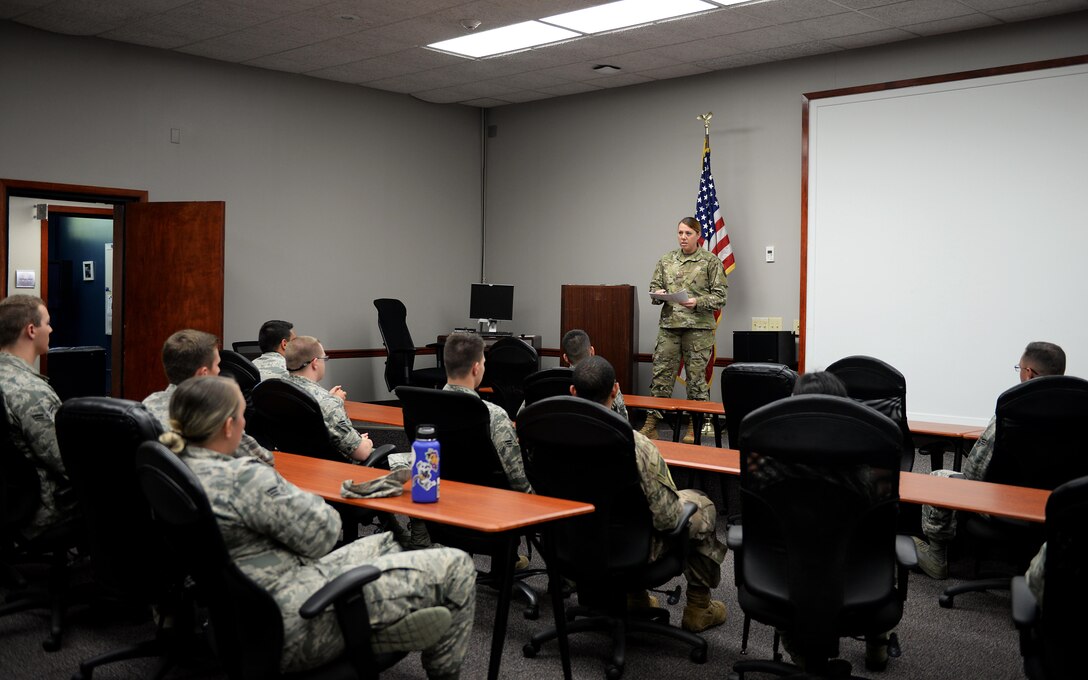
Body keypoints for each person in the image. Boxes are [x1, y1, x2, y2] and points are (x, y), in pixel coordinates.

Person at [160, 375, 475, 678]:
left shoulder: (172, 469)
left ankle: (384, 627)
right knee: (457, 564)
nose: (246, 425)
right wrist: (262, 465)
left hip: (236, 621)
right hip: (293, 625)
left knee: (385, 544)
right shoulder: (244, 479)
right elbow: (324, 534)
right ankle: (403, 649)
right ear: (230, 427)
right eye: (243, 418)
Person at [571, 356, 727, 632]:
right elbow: (667, 520)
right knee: (702, 505)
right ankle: (698, 608)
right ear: (616, 390)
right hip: (632, 548)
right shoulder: (635, 445)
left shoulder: (550, 431)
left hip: (571, 542)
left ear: (573, 392)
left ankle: (635, 597)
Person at [913, 341, 1066, 579]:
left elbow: (974, 472)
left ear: (1028, 373)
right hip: (1059, 505)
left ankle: (936, 557)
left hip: (1003, 506)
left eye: (1019, 368)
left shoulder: (1015, 407)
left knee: (939, 479)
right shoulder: (1077, 409)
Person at [642, 217, 728, 443]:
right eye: (680, 232)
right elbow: (653, 288)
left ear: (697, 235)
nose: (683, 237)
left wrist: (697, 302)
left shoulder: (711, 262)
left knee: (696, 380)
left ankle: (694, 426)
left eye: (688, 233)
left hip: (698, 329)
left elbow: (721, 297)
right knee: (661, 375)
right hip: (670, 327)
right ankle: (651, 424)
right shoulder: (666, 260)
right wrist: (658, 294)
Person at [0, 295, 74, 538]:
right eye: (48, 323)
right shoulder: (30, 391)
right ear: (31, 330)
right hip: (38, 510)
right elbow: (67, 462)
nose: (51, 329)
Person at [143, 329, 273, 466]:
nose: (219, 371)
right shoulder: (214, 412)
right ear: (203, 373)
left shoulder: (148, 403)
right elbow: (263, 459)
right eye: (217, 365)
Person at [442, 332, 532, 493]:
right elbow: (518, 482)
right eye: (483, 363)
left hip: (441, 496)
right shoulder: (494, 415)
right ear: (476, 368)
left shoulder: (425, 406)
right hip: (487, 503)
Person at [282, 335, 374, 462]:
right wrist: (365, 442)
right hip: (336, 469)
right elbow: (361, 453)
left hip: (296, 463)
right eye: (324, 358)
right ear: (315, 363)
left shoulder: (280, 390)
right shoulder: (326, 403)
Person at [560, 329, 627, 420]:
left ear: (565, 358)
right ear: (592, 351)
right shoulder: (605, 378)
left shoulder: (556, 381)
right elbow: (623, 418)